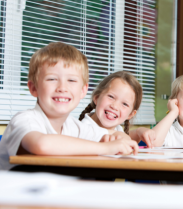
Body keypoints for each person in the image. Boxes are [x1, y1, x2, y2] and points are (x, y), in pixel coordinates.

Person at [0, 42, 138, 170]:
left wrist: (119, 137)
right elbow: (42, 144)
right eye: (52, 79)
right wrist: (106, 148)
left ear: (83, 91)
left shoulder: (73, 126)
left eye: (71, 80)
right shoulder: (25, 119)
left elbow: (117, 136)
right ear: (34, 88)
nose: (62, 88)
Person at [79, 71, 155, 147]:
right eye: (111, 97)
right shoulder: (81, 129)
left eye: (125, 104)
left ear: (130, 114)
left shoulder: (117, 129)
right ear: (96, 98)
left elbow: (125, 137)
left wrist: (139, 131)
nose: (115, 106)